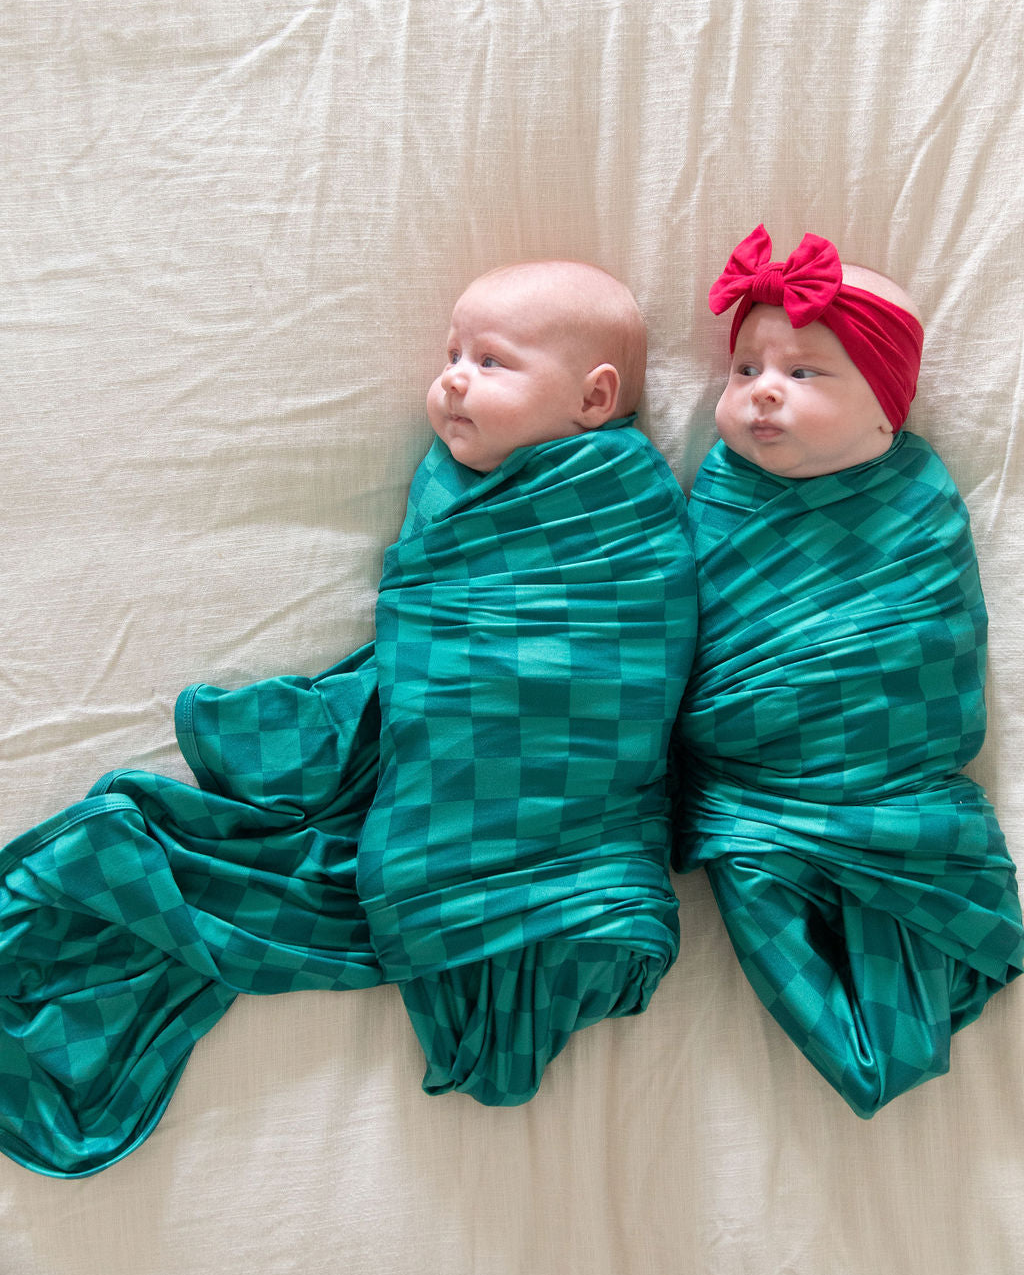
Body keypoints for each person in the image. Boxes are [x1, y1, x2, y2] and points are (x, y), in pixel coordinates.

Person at [0, 261, 697, 1176]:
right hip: (459, 763)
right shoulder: (453, 488)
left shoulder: (623, 505)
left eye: (490, 362)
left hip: (583, 823)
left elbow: (630, 645)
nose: (452, 380)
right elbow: (437, 642)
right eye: (451, 355)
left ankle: (517, 902)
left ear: (594, 399)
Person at [671, 225, 1024, 1116]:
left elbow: (934, 630)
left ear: (883, 410)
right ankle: (867, 1043)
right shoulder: (720, 489)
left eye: (804, 373)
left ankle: (906, 1009)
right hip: (753, 794)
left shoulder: (915, 497)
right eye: (745, 369)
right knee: (758, 892)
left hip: (891, 784)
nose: (762, 392)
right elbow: (677, 620)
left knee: (897, 911)